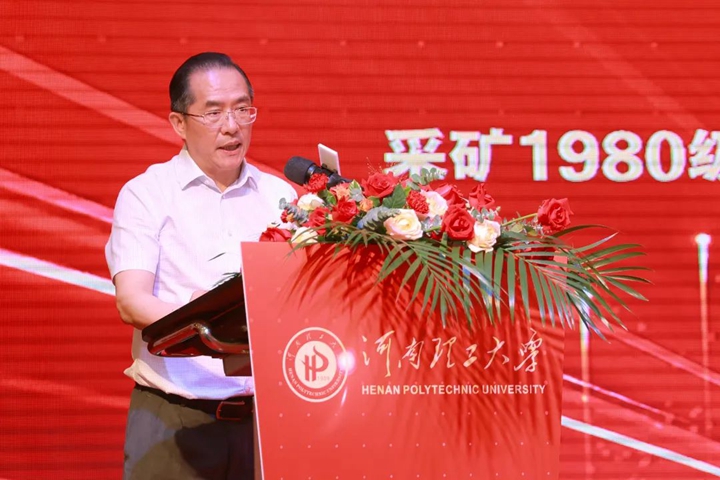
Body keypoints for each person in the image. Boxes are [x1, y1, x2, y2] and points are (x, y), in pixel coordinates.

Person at [105, 52, 297, 480]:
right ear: (179, 123)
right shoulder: (147, 194)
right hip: (176, 420)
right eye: (213, 113)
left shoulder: (280, 198)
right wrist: (210, 327)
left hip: (266, 421)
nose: (232, 126)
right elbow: (131, 302)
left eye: (242, 109)